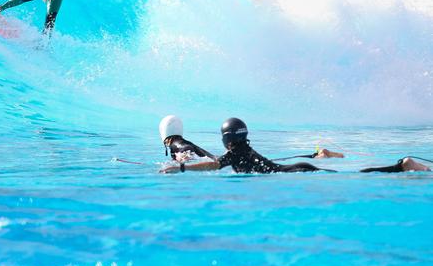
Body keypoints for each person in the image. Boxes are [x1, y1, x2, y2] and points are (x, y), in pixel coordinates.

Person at [161, 117, 430, 174]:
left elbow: (214, 164)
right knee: (351, 175)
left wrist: (182, 170)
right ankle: (323, 155)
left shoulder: (236, 153)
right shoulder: (242, 149)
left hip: (295, 171)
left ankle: (401, 165)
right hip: (296, 167)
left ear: (227, 139)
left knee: (357, 175)